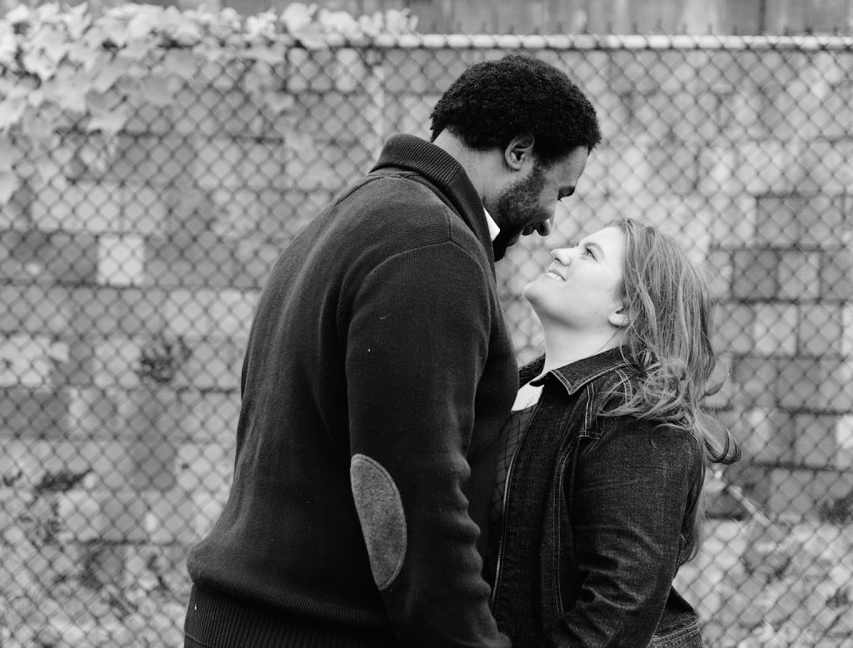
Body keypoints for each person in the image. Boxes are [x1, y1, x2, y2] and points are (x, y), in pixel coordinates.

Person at [184, 54, 602, 648]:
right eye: (558, 191)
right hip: (316, 628)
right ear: (518, 152)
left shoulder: (354, 215)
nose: (549, 223)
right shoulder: (431, 246)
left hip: (247, 615)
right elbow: (413, 499)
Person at [488, 218, 740, 648]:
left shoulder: (636, 413)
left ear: (625, 308)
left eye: (588, 254)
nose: (559, 252)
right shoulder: (511, 392)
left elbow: (621, 604)